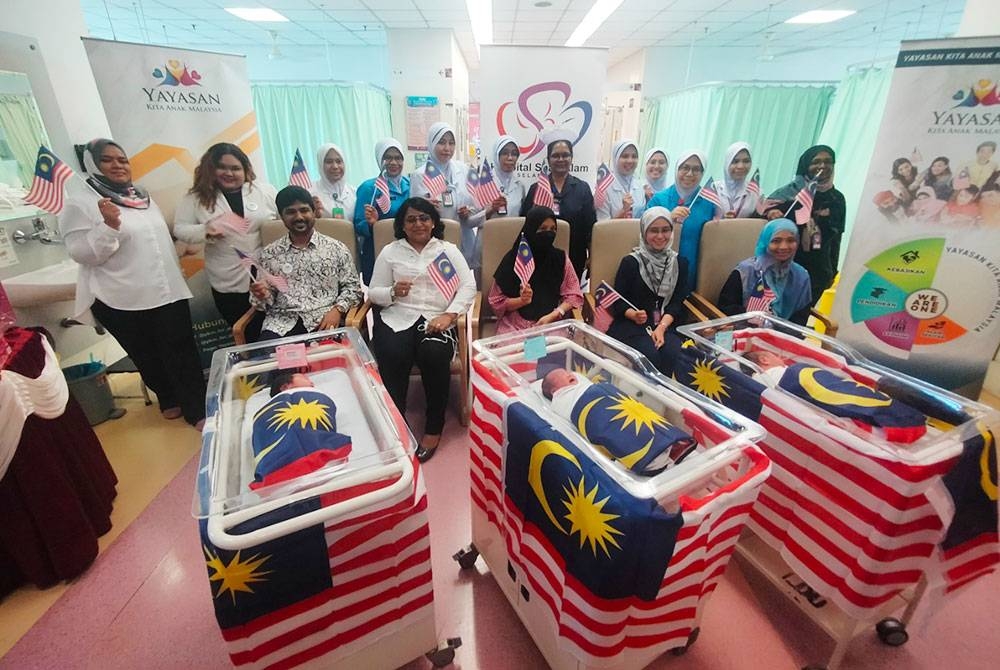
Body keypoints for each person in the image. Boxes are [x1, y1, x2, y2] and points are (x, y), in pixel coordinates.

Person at [59, 138, 206, 428]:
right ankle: (167, 397)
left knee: (182, 351)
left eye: (122, 159)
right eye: (108, 160)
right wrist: (107, 226)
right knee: (146, 354)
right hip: (122, 295)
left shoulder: (141, 197)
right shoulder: (82, 203)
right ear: (91, 164)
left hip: (167, 290)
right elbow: (82, 254)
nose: (118, 165)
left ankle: (197, 409)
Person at [368, 197, 476, 462]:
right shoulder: (391, 252)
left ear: (433, 222)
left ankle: (433, 426)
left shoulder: (447, 250)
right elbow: (373, 292)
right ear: (402, 225)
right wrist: (393, 291)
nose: (418, 223)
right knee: (393, 353)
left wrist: (449, 314)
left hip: (437, 316)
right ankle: (396, 424)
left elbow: (468, 286)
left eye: (424, 218)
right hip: (398, 315)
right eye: (411, 219)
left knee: (434, 354)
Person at [173, 143, 277, 340]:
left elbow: (282, 218)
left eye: (236, 168)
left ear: (245, 170)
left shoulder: (263, 191)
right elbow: (180, 229)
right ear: (210, 169)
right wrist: (206, 230)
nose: (229, 173)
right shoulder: (196, 198)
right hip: (228, 279)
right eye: (222, 167)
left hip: (267, 272)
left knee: (273, 330)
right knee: (247, 333)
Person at [249, 186, 362, 340]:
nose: (299, 217)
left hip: (325, 320)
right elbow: (264, 301)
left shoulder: (336, 248)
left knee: (334, 361)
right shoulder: (269, 253)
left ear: (314, 212)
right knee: (269, 362)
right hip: (281, 324)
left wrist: (337, 310)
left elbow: (353, 288)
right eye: (290, 212)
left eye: (304, 210)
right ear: (281, 216)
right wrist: (261, 294)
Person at [743, 350, 926, 444]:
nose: (781, 359)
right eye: (775, 356)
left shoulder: (764, 383)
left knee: (848, 391)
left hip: (810, 385)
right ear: (765, 360)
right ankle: (897, 418)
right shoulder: (782, 374)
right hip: (798, 383)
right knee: (847, 398)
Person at [541, 368, 697, 475]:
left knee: (638, 413)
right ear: (555, 391)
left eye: (567, 371)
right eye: (562, 375)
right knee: (619, 427)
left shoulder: (585, 385)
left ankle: (666, 442)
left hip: (604, 395)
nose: (569, 373)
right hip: (588, 406)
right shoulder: (561, 399)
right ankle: (648, 454)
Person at [606, 207, 689, 373]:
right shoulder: (630, 262)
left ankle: (667, 397)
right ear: (644, 233)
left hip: (666, 324)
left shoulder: (680, 263)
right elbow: (618, 302)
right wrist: (633, 314)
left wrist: (661, 327)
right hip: (632, 325)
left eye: (665, 230)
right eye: (654, 231)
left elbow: (677, 302)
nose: (660, 236)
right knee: (649, 356)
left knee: (674, 354)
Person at [762, 145, 846, 305]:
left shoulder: (838, 199)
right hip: (784, 268)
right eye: (816, 162)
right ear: (805, 165)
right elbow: (760, 217)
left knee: (799, 321)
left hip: (818, 273)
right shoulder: (790, 194)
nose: (822, 166)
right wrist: (769, 213)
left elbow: (837, 238)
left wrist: (832, 271)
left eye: (828, 161)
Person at [250, 371, 352, 490]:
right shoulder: (276, 405)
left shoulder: (314, 396)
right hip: (322, 460)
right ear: (285, 386)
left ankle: (278, 470)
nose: (311, 382)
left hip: (275, 480)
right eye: (304, 378)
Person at [489, 206, 583, 334]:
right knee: (517, 353)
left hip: (551, 323)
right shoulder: (514, 259)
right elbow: (496, 301)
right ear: (531, 230)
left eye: (553, 229)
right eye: (543, 229)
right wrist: (521, 301)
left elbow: (573, 294)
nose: (548, 234)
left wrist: (555, 314)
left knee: (553, 353)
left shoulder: (560, 258)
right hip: (516, 325)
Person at [521, 138, 597, 278]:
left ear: (571, 158)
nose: (561, 159)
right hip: (540, 256)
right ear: (548, 159)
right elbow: (524, 225)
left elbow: (590, 227)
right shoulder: (537, 188)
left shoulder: (583, 188)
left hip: (574, 256)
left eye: (565, 155)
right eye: (556, 155)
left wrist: (592, 256)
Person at [409, 122, 478, 270]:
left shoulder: (463, 170)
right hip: (435, 237)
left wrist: (468, 210)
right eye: (441, 142)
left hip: (462, 234)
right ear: (432, 143)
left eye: (451, 143)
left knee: (461, 278)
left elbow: (474, 202)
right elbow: (414, 212)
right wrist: (426, 207)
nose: (447, 148)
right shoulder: (420, 175)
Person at [718, 218, 813, 326]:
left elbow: (801, 318)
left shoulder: (801, 276)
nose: (784, 247)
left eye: (790, 240)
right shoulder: (745, 271)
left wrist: (777, 331)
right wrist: (754, 317)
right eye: (776, 241)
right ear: (765, 242)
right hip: (745, 331)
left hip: (783, 335)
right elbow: (725, 307)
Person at [647, 150, 716, 287]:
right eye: (685, 167)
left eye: (696, 169)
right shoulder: (659, 199)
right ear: (677, 169)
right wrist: (668, 218)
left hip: (692, 271)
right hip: (658, 270)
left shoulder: (709, 203)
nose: (690, 174)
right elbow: (643, 232)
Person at [462, 135, 528, 276]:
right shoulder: (482, 183)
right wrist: (490, 209)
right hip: (486, 246)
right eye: (505, 153)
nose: (510, 158)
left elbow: (522, 220)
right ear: (496, 155)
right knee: (484, 293)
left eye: (514, 154)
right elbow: (468, 222)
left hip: (511, 247)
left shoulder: (520, 186)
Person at [354, 138, 410, 283]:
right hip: (378, 251)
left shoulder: (410, 185)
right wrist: (373, 224)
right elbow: (359, 224)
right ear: (380, 159)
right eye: (388, 157)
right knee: (381, 296)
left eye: (398, 158)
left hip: (407, 250)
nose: (393, 162)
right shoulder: (369, 188)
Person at [597, 139, 647, 221]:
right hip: (612, 234)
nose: (630, 160)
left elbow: (642, 219)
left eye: (634, 156)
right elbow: (601, 228)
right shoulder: (604, 186)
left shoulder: (639, 186)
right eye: (625, 156)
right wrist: (623, 211)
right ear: (616, 158)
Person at [311, 143, 356, 222]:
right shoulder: (311, 193)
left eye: (339, 161)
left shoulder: (354, 193)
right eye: (329, 162)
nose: (335, 166)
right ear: (321, 164)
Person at [715, 142, 760, 218]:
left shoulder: (755, 193)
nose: (740, 166)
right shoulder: (713, 189)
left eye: (746, 161)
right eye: (735, 161)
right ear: (727, 163)